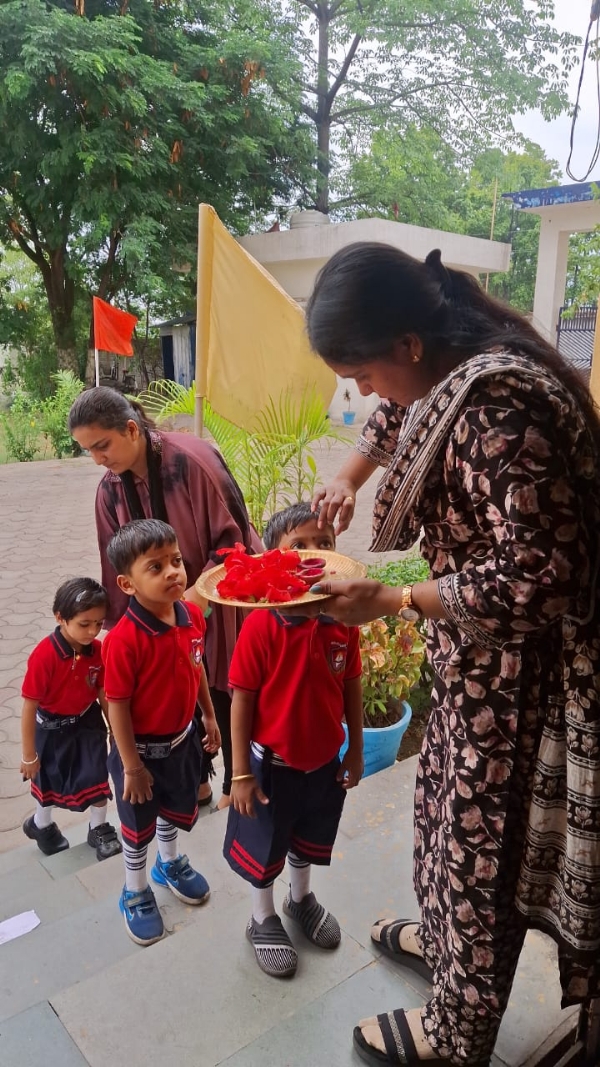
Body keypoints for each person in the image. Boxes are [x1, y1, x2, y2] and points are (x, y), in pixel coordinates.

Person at [303, 242, 600, 1065]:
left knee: (481, 848)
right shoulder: (448, 359)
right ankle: (443, 944)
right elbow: (399, 416)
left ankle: (456, 1032)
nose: (362, 390)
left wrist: (396, 598)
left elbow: (542, 573)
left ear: (406, 346)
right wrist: (348, 475)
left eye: (360, 370)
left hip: (523, 676)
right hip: (474, 654)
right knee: (440, 808)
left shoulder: (502, 405)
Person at [68, 387, 261, 812]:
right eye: (89, 451)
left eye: (103, 445)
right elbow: (113, 566)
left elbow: (235, 545)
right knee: (174, 684)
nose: (98, 459)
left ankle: (236, 780)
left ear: (132, 428)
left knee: (225, 681)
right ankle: (200, 781)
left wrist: (190, 602)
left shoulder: (192, 461)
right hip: (164, 607)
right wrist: (109, 633)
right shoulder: (108, 492)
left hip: (223, 588)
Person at [223, 502, 364, 978]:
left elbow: (351, 685)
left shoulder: (342, 621)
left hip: (324, 760)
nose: (313, 554)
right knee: (266, 846)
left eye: (323, 543)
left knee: (309, 835)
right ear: (273, 556)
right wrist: (239, 772)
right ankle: (261, 915)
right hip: (271, 767)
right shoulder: (263, 623)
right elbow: (241, 700)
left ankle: (300, 899)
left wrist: (356, 750)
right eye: (298, 545)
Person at [101, 518, 220, 946]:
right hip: (140, 755)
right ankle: (134, 890)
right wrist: (131, 766)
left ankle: (167, 864)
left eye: (175, 561)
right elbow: (117, 706)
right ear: (127, 584)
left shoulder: (190, 616)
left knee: (172, 809)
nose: (173, 572)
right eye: (156, 567)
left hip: (181, 742)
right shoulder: (124, 640)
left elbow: (196, 665)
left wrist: (207, 715)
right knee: (137, 826)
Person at [20, 577, 122, 861]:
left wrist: (115, 728)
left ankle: (99, 827)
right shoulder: (44, 656)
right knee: (48, 780)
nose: (92, 631)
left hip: (87, 723)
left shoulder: (99, 652)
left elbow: (103, 691)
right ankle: (41, 825)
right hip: (50, 728)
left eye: (99, 623)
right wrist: (29, 755)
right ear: (60, 618)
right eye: (84, 623)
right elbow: (29, 706)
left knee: (97, 774)